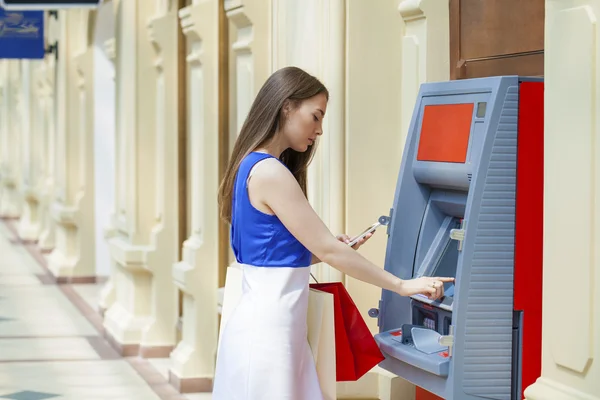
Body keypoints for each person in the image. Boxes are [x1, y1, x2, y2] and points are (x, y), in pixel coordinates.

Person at [213, 66, 453, 399]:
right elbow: (328, 250)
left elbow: (273, 259)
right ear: (287, 106)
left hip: (268, 325)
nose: (320, 130)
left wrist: (328, 249)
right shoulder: (270, 171)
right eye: (316, 116)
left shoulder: (251, 166)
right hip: (270, 332)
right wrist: (402, 285)